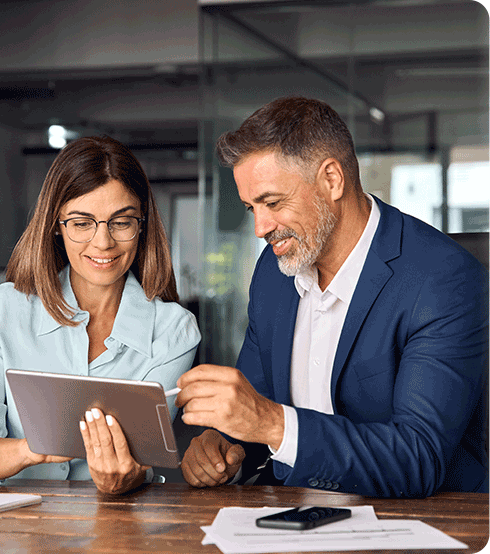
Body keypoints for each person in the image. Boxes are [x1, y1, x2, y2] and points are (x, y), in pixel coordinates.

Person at [175, 96, 488, 498]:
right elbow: (258, 412)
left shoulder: (444, 281)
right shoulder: (274, 273)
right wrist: (225, 447)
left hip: (415, 522)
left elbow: (418, 457)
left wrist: (272, 424)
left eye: (272, 202)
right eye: (251, 207)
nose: (260, 227)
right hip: (288, 516)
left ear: (332, 179)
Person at [0, 136, 200, 494]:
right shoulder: (5, 310)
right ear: (56, 227)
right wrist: (34, 449)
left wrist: (126, 478)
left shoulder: (174, 331)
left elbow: (143, 460)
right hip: (16, 529)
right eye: (81, 223)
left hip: (118, 528)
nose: (103, 242)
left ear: (142, 224)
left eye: (121, 222)